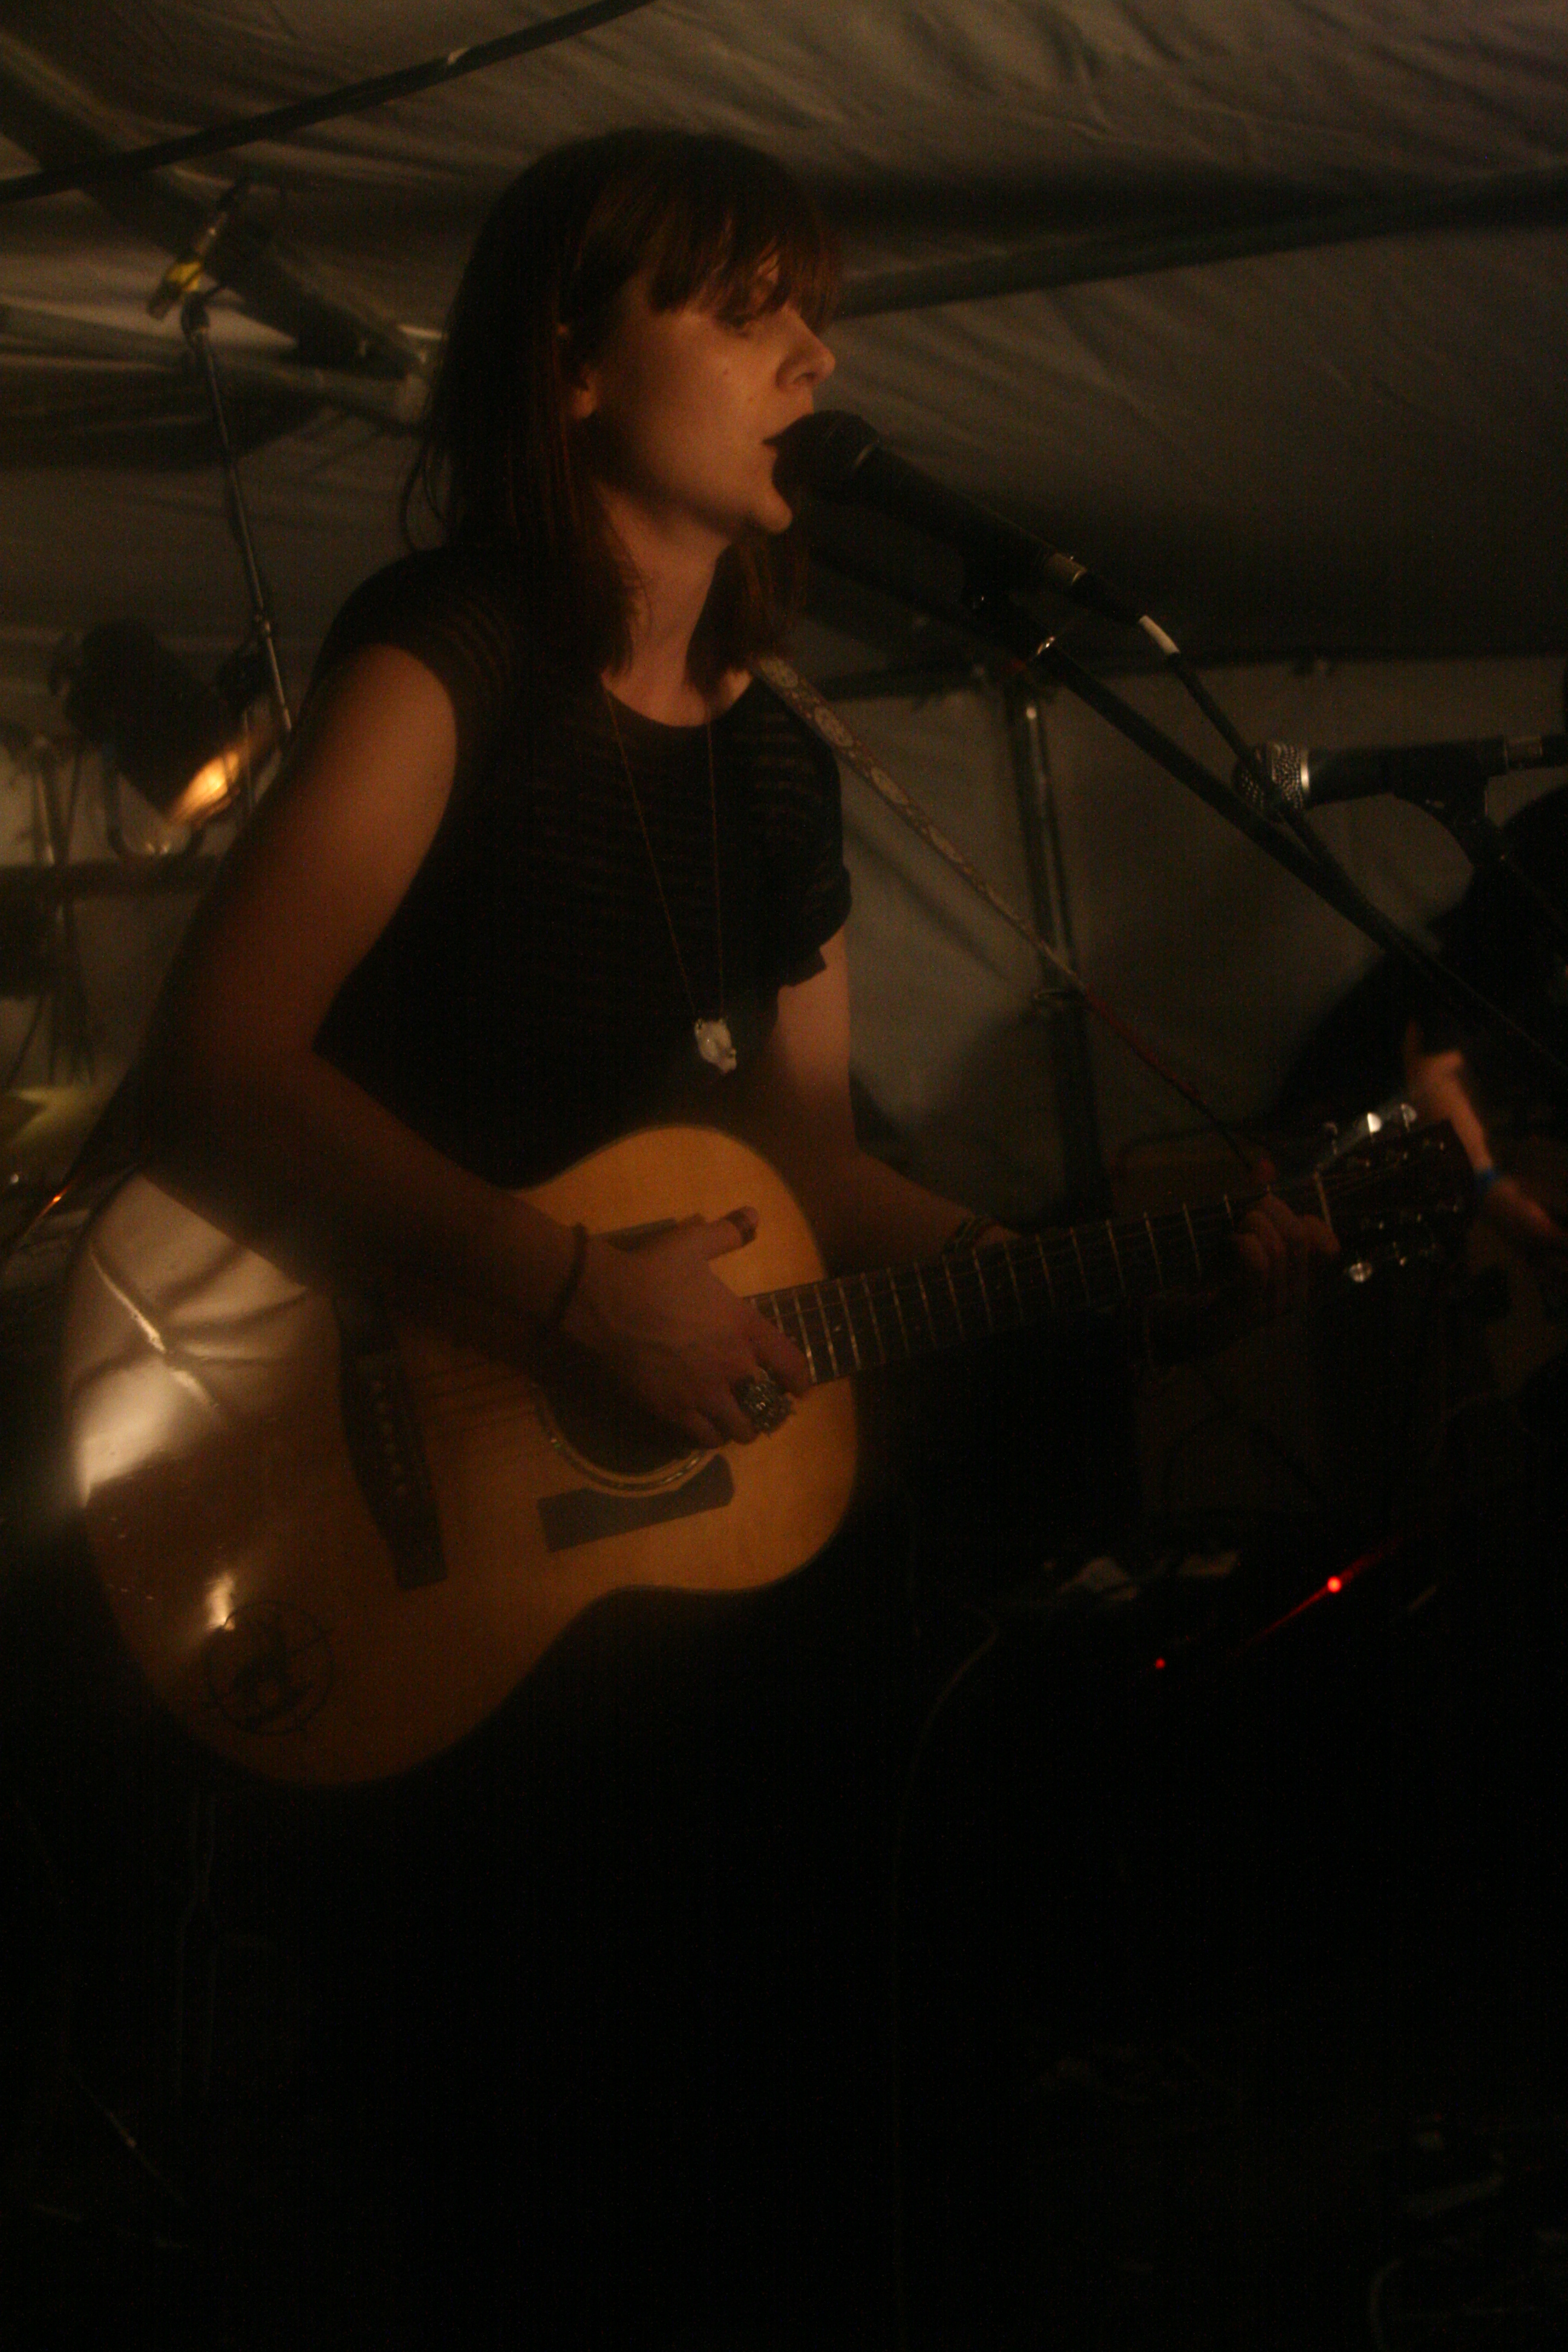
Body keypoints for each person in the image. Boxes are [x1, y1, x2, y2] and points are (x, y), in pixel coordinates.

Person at [139, 129, 1334, 2348]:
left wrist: (1097, 1268)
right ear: (574, 363)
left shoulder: (775, 763)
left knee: (776, 2135)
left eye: (818, 312)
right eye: (747, 305)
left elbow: (809, 1167)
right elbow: (217, 1062)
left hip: (675, 1588)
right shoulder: (451, 659)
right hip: (420, 1542)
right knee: (514, 2179)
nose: (815, 355)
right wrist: (576, 1292)